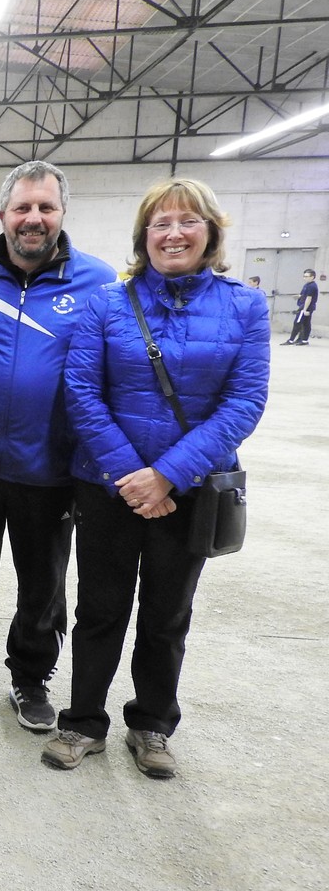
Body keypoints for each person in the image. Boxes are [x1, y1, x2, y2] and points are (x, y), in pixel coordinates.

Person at [43, 177, 269, 776]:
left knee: (167, 615)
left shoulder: (245, 306)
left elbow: (244, 402)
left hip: (190, 491)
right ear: (144, 235)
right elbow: (82, 391)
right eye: (161, 223)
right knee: (99, 608)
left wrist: (167, 476)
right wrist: (131, 475)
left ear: (211, 232)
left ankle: (152, 724)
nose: (174, 234)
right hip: (108, 485)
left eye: (188, 221)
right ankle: (82, 721)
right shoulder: (108, 302)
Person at [0, 160, 116, 733]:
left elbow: (107, 373)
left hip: (52, 472)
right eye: (23, 207)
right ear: (3, 214)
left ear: (62, 213)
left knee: (43, 586)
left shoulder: (100, 283)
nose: (34, 218)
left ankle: (31, 678)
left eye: (46, 207)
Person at [281, 268, 317, 344]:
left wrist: (304, 309)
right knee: (306, 323)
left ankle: (291, 340)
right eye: (304, 276)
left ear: (312, 277)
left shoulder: (312, 286)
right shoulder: (307, 285)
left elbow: (309, 298)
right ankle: (303, 340)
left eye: (307, 276)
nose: (305, 278)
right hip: (305, 306)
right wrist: (299, 296)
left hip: (305, 307)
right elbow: (305, 295)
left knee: (297, 323)